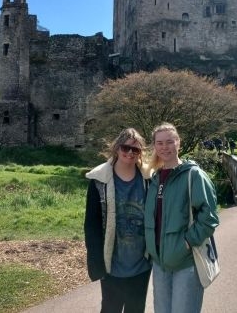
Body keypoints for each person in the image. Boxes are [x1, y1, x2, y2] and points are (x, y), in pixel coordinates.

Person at [144, 123, 219, 313]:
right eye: (159, 143)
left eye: (170, 141)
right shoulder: (154, 179)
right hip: (160, 264)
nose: (164, 147)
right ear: (154, 146)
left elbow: (209, 217)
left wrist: (187, 242)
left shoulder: (193, 175)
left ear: (178, 143)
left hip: (186, 262)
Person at [84, 128, 152, 313]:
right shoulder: (99, 180)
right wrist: (96, 263)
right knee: (110, 309)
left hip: (141, 263)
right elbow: (92, 225)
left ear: (140, 153)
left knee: (136, 309)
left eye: (135, 150)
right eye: (125, 148)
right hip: (111, 265)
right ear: (116, 148)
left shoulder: (148, 179)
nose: (130, 153)